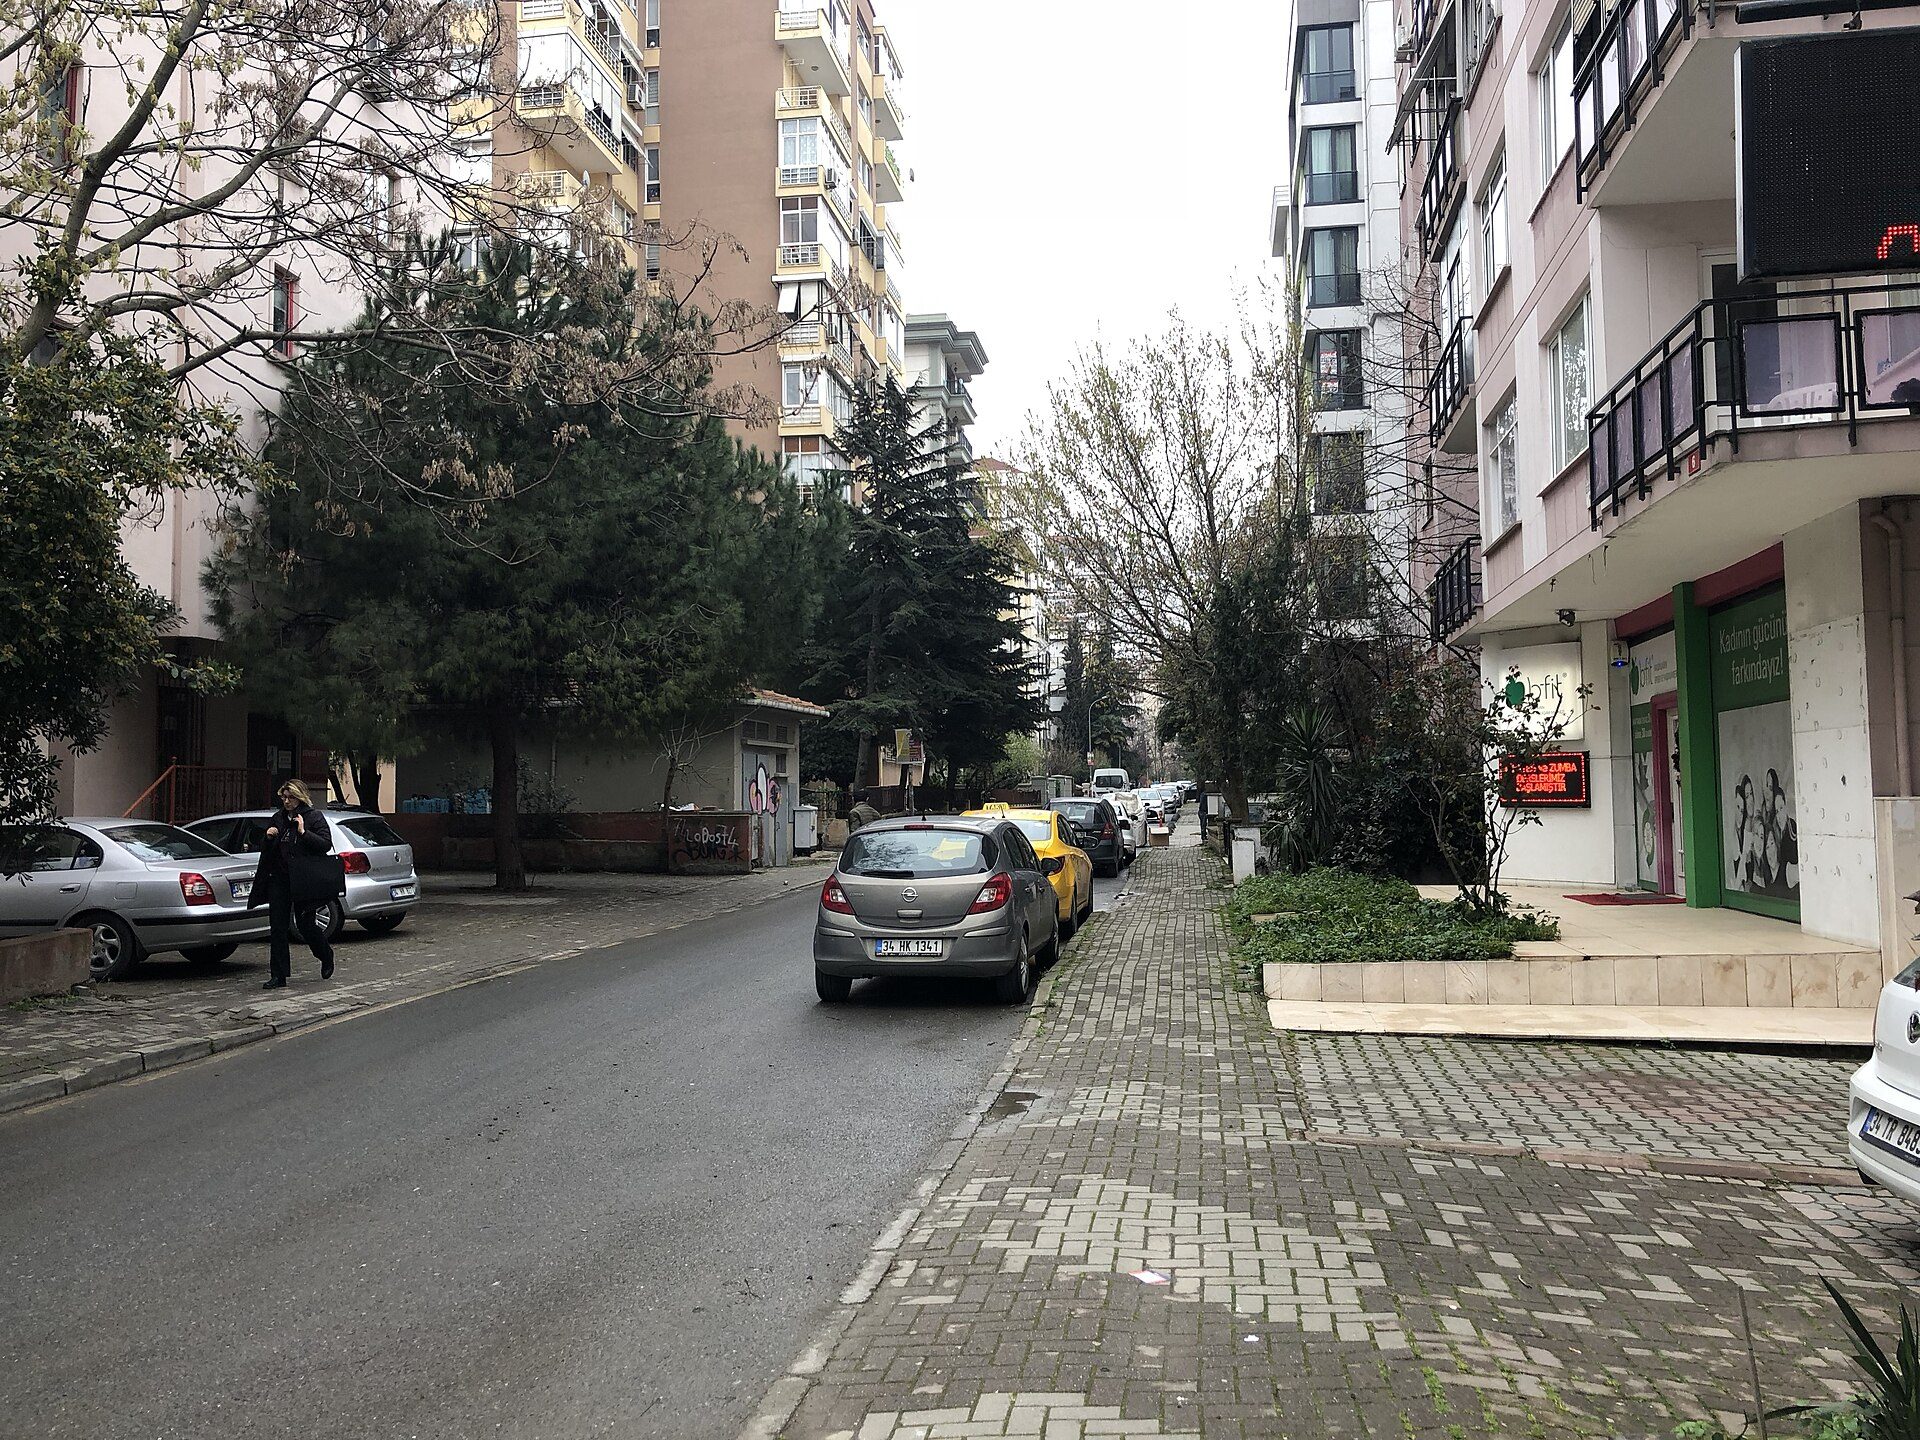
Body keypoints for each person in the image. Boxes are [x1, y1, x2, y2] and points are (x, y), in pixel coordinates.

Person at [248, 780, 341, 989]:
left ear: (300, 797)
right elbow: (265, 846)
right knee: (278, 927)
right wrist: (268, 837)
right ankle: (278, 975)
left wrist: (303, 832)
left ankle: (325, 954)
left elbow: (325, 844)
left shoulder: (313, 817)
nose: (286, 801)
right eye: (284, 797)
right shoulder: (278, 817)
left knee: (305, 923)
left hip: (304, 879)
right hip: (279, 878)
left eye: (290, 797)